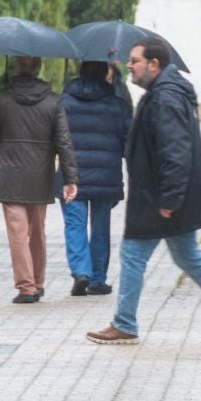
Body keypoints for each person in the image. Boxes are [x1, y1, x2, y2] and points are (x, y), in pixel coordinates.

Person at [86, 40, 201, 347]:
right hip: (165, 195)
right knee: (188, 256)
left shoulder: (165, 98)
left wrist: (170, 198)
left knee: (133, 254)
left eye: (135, 61)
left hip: (161, 197)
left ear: (154, 64)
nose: (130, 65)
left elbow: (175, 151)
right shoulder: (164, 93)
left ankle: (125, 324)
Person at [0, 56, 80, 303]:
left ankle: (26, 287)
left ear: (15, 68)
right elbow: (64, 141)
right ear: (39, 68)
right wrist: (70, 178)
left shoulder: (2, 97)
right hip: (40, 173)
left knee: (17, 231)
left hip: (9, 174)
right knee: (37, 231)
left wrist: (1, 113)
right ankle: (39, 282)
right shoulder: (54, 100)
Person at [59, 60, 130, 296]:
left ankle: (81, 271)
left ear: (79, 72)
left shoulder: (63, 102)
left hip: (72, 175)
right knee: (101, 226)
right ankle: (98, 278)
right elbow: (128, 142)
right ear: (104, 74)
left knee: (74, 223)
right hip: (106, 173)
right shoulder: (118, 105)